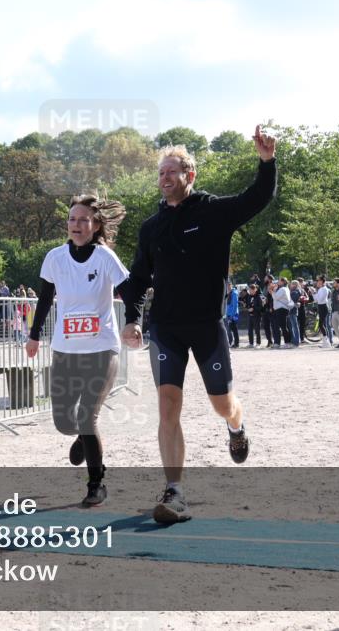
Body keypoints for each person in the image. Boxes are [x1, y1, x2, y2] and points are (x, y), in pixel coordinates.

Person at [120, 127, 277, 524]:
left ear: (189, 176)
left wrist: (266, 161)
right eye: (160, 173)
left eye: (171, 171)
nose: (164, 178)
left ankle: (237, 427)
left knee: (221, 404)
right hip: (166, 329)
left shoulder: (212, 211)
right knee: (168, 406)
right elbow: (138, 279)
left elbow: (256, 198)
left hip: (207, 325)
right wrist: (133, 320)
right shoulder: (151, 227)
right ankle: (175, 492)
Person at [26, 195, 129, 508]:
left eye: (83, 220)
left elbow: (130, 289)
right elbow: (45, 299)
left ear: (95, 224)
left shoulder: (105, 257)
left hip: (102, 349)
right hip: (65, 351)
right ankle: (84, 439)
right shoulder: (55, 258)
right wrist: (33, 337)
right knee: (63, 421)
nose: (76, 225)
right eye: (72, 219)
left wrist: (136, 322)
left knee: (86, 417)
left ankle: (96, 483)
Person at [314, 276, 332, 347]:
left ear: (321, 282)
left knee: (321, 325)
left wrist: (315, 293)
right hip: (321, 307)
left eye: (318, 281)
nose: (317, 282)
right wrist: (314, 292)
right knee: (322, 325)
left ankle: (327, 342)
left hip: (323, 307)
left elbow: (320, 299)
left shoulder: (324, 289)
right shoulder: (320, 289)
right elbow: (316, 300)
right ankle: (326, 342)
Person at [224, 281, 240, 348]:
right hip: (228, 314)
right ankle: (232, 342)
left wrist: (232, 315)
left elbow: (235, 305)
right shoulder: (228, 293)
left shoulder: (234, 293)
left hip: (234, 314)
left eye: (228, 286)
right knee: (230, 329)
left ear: (231, 286)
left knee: (234, 329)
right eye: (227, 286)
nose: (227, 287)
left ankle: (236, 343)